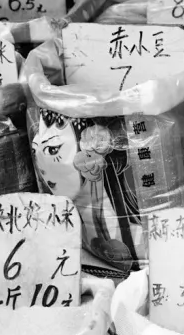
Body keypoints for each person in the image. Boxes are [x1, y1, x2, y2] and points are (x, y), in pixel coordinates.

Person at [30, 108, 140, 270]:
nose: (42, 167)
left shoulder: (139, 234)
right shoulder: (74, 231)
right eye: (35, 150)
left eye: (53, 150)